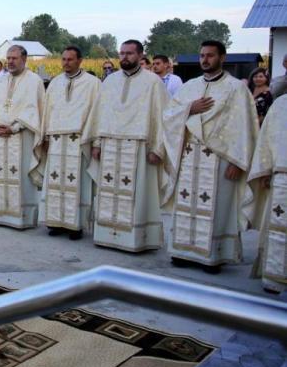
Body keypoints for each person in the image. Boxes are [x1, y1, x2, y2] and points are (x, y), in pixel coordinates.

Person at [162, 41, 257, 273]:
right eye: (202, 55)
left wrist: (238, 161)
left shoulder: (237, 89)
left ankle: (212, 256)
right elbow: (169, 115)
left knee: (216, 207)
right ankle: (183, 252)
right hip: (189, 156)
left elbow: (245, 127)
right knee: (187, 203)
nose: (205, 60)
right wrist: (189, 109)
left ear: (222, 58)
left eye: (210, 56)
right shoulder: (189, 87)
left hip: (220, 158)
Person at [83, 40, 169, 252]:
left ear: (140, 55)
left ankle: (135, 240)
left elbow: (162, 116)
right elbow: (100, 113)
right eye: (121, 53)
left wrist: (158, 148)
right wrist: (96, 142)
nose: (124, 57)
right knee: (108, 191)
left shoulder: (153, 82)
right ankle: (107, 235)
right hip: (110, 146)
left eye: (129, 53)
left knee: (138, 194)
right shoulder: (110, 81)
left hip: (138, 148)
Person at [0, 46, 45, 229]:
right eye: (8, 58)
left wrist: (15, 127)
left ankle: (21, 218)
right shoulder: (0, 81)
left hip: (22, 137)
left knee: (20, 176)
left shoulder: (34, 81)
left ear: (24, 58)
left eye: (14, 58)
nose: (10, 61)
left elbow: (34, 110)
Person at [39, 46, 101, 239]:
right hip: (57, 141)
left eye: (70, 60)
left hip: (78, 141)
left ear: (80, 60)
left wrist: (96, 141)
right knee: (55, 182)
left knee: (78, 184)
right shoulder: (55, 83)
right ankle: (55, 222)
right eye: (63, 59)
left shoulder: (93, 83)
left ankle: (76, 225)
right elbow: (48, 111)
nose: (66, 63)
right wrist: (46, 137)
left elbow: (97, 114)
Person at [244, 94, 287, 294]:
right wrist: (265, 169)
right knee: (278, 228)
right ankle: (275, 277)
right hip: (281, 176)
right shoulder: (281, 104)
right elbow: (268, 137)